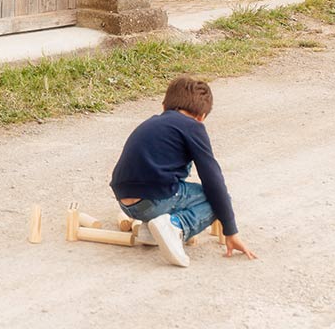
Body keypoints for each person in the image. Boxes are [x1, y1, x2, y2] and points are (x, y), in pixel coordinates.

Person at [110, 75, 257, 267]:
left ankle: (150, 231)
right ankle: (176, 225)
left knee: (166, 174)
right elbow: (213, 179)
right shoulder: (193, 127)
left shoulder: (151, 124)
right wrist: (231, 231)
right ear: (201, 117)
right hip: (156, 200)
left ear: (164, 107)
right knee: (219, 198)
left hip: (127, 204)